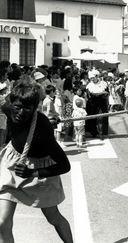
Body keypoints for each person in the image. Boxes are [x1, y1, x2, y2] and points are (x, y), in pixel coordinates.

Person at [0, 80, 73, 243]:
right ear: (12, 103)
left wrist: (33, 173)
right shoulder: (7, 108)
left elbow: (64, 165)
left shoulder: (42, 128)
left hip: (38, 170)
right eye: (17, 107)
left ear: (35, 108)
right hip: (12, 165)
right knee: (2, 222)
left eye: (27, 108)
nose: (20, 112)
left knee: (53, 218)